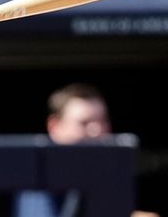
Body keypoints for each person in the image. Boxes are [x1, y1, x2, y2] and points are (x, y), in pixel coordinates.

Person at [13, 83, 159, 217]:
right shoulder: (36, 177)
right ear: (54, 126)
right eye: (84, 123)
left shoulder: (112, 175)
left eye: (102, 121)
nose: (97, 131)